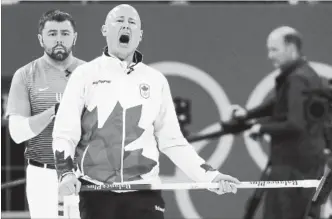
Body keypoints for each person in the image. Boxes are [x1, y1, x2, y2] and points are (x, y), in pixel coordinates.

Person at [52, 4, 240, 219]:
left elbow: (173, 142)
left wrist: (211, 177)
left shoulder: (155, 80)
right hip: (96, 192)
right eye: (119, 20)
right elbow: (65, 133)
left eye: (132, 23)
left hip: (144, 194)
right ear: (105, 30)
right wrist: (65, 174)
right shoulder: (84, 75)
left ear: (139, 35)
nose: (126, 26)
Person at [233, 26, 326, 219]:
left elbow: (295, 124)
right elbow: (278, 104)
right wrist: (248, 114)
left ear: (291, 49)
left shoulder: (297, 79)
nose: (269, 55)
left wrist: (260, 127)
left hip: (292, 168)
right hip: (300, 165)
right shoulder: (304, 74)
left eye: (274, 49)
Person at [6, 9, 85, 218]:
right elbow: (17, 133)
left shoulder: (90, 74)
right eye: (52, 34)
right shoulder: (25, 75)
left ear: (74, 37)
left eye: (65, 34)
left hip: (82, 172)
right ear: (41, 39)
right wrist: (55, 111)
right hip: (41, 174)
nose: (59, 40)